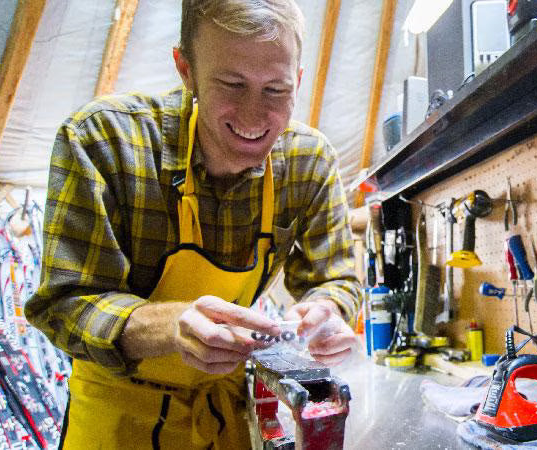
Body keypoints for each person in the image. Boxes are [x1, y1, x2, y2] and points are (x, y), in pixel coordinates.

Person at [26, 1, 361, 448]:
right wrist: (170, 326)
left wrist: (328, 312)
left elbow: (336, 278)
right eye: (232, 84)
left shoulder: (308, 160)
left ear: (297, 81)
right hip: (115, 412)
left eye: (276, 90)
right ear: (186, 69)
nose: (253, 117)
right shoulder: (101, 140)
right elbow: (64, 304)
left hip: (224, 410)